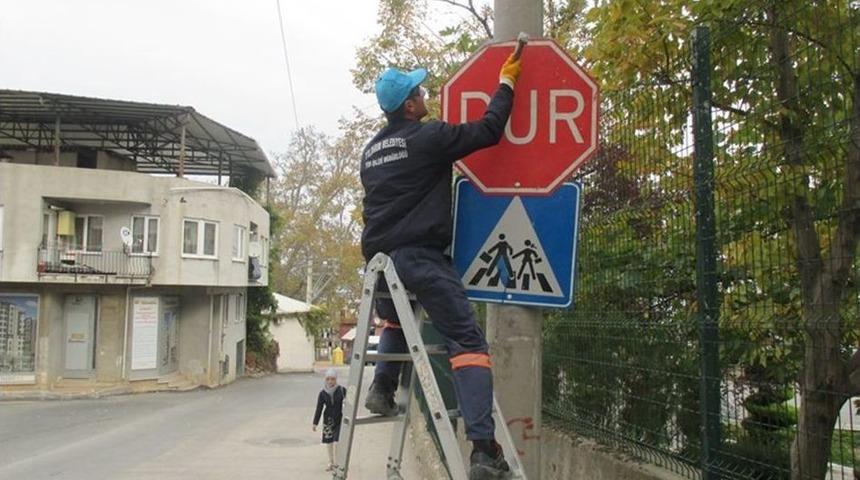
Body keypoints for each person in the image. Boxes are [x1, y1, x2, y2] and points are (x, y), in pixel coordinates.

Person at [359, 52, 523, 480]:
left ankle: (381, 386)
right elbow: (488, 131)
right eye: (419, 91)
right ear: (409, 107)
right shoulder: (426, 137)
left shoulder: (371, 151)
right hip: (419, 257)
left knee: (395, 319)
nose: (424, 94)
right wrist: (506, 83)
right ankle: (484, 452)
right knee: (467, 343)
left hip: (379, 263)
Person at [312, 368, 346, 472]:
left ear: (336, 379)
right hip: (328, 420)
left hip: (340, 419)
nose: (330, 381)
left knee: (337, 441)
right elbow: (319, 408)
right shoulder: (322, 393)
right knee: (329, 442)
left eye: (333, 379)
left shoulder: (342, 390)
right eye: (328, 379)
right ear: (325, 380)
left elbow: (349, 405)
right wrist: (315, 423)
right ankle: (330, 461)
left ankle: (337, 462)